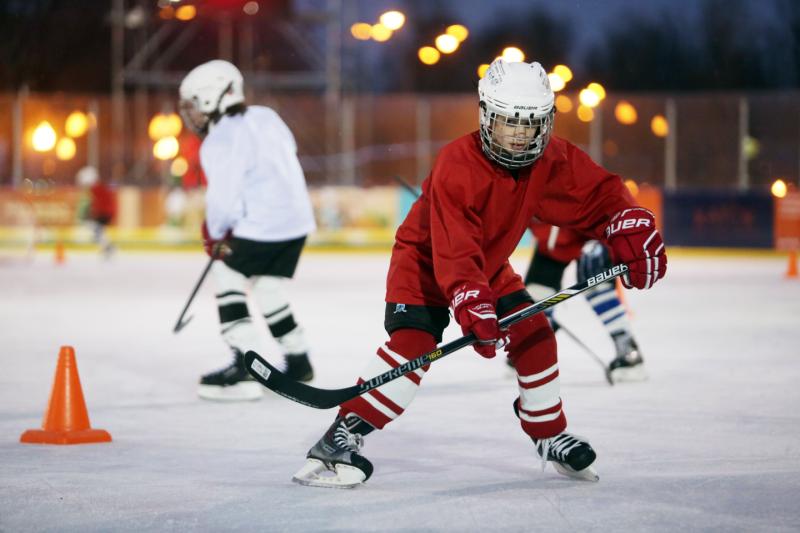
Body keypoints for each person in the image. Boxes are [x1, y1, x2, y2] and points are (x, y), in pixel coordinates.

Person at [291, 58, 667, 488]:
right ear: (487, 116)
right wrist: (473, 302)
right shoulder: (458, 163)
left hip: (485, 265)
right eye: (510, 123)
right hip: (425, 262)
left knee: (535, 334)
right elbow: (454, 251)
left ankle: (548, 432)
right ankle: (342, 436)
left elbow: (599, 194)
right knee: (414, 345)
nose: (521, 135)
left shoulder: (549, 160)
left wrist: (630, 222)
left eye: (532, 125)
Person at [179, 59, 317, 401]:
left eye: (194, 104)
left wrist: (215, 232)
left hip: (262, 226)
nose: (192, 115)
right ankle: (299, 361)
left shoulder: (219, 139)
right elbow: (285, 156)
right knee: (268, 288)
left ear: (212, 97)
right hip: (296, 223)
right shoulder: (266, 116)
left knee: (228, 277)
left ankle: (247, 369)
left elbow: (224, 196)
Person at [524, 222, 646, 382]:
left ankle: (627, 348)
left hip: (590, 233)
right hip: (551, 240)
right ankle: (533, 350)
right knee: (537, 290)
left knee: (595, 278)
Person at [75, 165, 116, 258]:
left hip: (105, 213)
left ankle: (107, 246)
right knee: (97, 230)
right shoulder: (97, 188)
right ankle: (107, 246)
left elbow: (96, 201)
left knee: (95, 228)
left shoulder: (96, 188)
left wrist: (91, 212)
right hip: (105, 212)